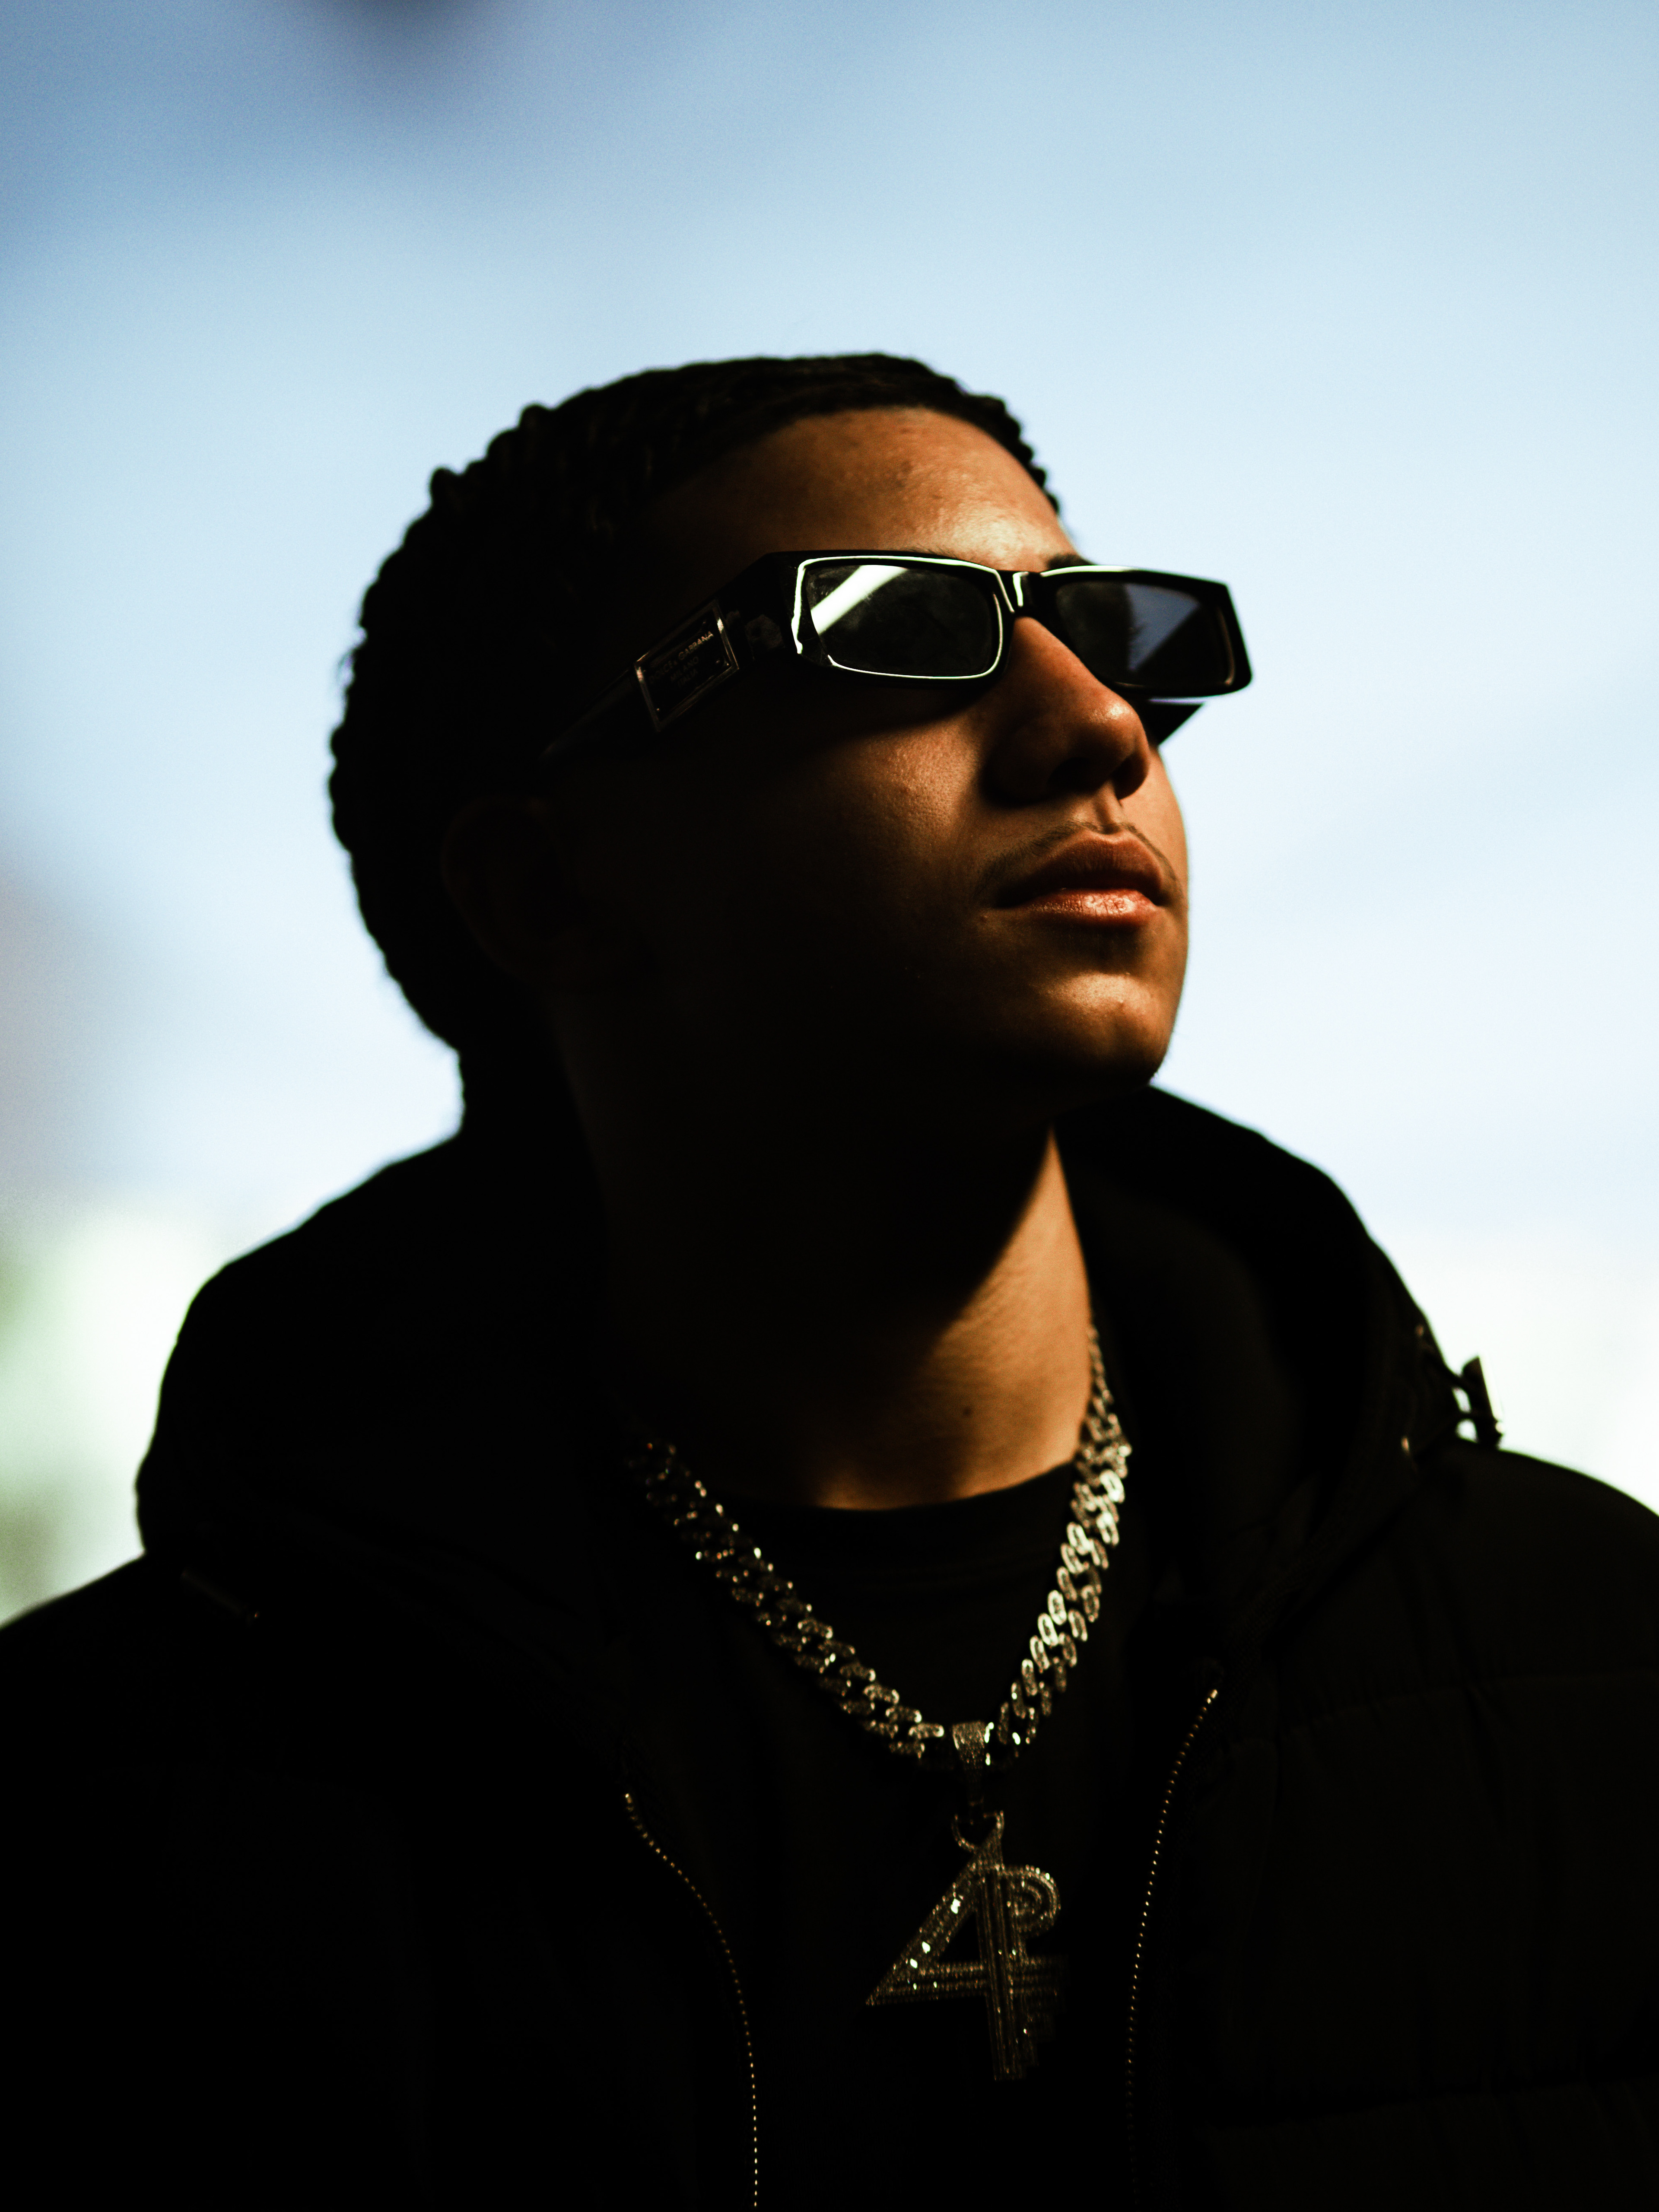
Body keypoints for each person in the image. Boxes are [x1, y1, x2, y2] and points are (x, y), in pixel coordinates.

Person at [5, 353, 1658, 2210]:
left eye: (1111, 635)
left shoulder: (1597, 1663)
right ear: (549, 890)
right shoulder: (105, 1808)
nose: (1099, 725)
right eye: (895, 633)